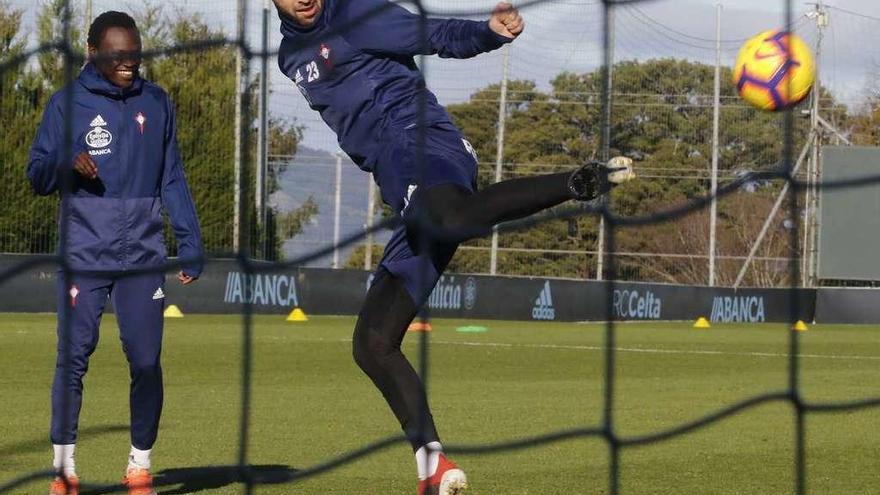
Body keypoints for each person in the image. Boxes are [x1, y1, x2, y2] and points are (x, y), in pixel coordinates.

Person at [272, 1, 634, 493]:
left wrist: (487, 32)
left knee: (454, 219)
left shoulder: (356, 12)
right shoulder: (288, 56)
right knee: (373, 344)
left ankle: (577, 182)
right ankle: (434, 467)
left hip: (424, 144)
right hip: (400, 185)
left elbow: (434, 34)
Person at [27, 11, 203, 495]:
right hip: (84, 253)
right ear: (93, 52)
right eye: (118, 54)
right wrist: (66, 165)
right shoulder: (67, 104)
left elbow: (172, 178)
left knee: (146, 361)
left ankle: (140, 466)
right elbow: (37, 174)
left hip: (144, 256)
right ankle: (64, 470)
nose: (129, 61)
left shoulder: (157, 103)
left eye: (135, 53)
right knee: (73, 358)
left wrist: (189, 241)